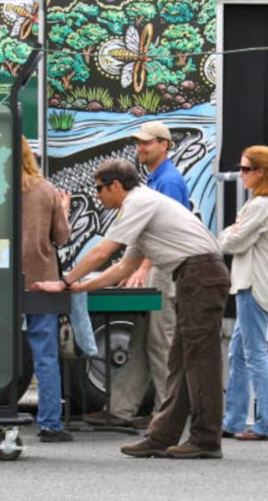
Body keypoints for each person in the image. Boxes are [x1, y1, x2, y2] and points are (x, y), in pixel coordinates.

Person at [34, 159, 230, 459]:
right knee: (178, 362)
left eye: (99, 189)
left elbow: (104, 251)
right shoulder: (141, 208)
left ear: (116, 185)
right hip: (194, 275)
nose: (97, 195)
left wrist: (65, 281)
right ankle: (161, 436)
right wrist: (79, 287)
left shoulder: (139, 201)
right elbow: (126, 265)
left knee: (200, 362)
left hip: (200, 275)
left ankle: (206, 440)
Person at [84, 121, 187, 428]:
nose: (141, 148)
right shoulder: (154, 179)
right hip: (155, 268)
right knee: (141, 343)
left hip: (163, 271)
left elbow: (168, 236)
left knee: (160, 344)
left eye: (148, 143)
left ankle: (166, 416)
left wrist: (143, 269)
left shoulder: (169, 182)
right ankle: (119, 409)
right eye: (139, 143)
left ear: (165, 145)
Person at [0, 139, 74, 443]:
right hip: (40, 280)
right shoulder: (46, 190)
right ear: (31, 156)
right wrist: (64, 209)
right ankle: (50, 425)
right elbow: (61, 236)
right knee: (45, 354)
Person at [220, 146, 268, 441]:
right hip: (257, 282)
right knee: (240, 352)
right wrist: (233, 232)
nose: (241, 174)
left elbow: (231, 244)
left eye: (246, 169)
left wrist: (228, 233)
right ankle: (233, 420)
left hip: (253, 284)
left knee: (254, 353)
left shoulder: (261, 205)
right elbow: (236, 238)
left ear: (262, 173)